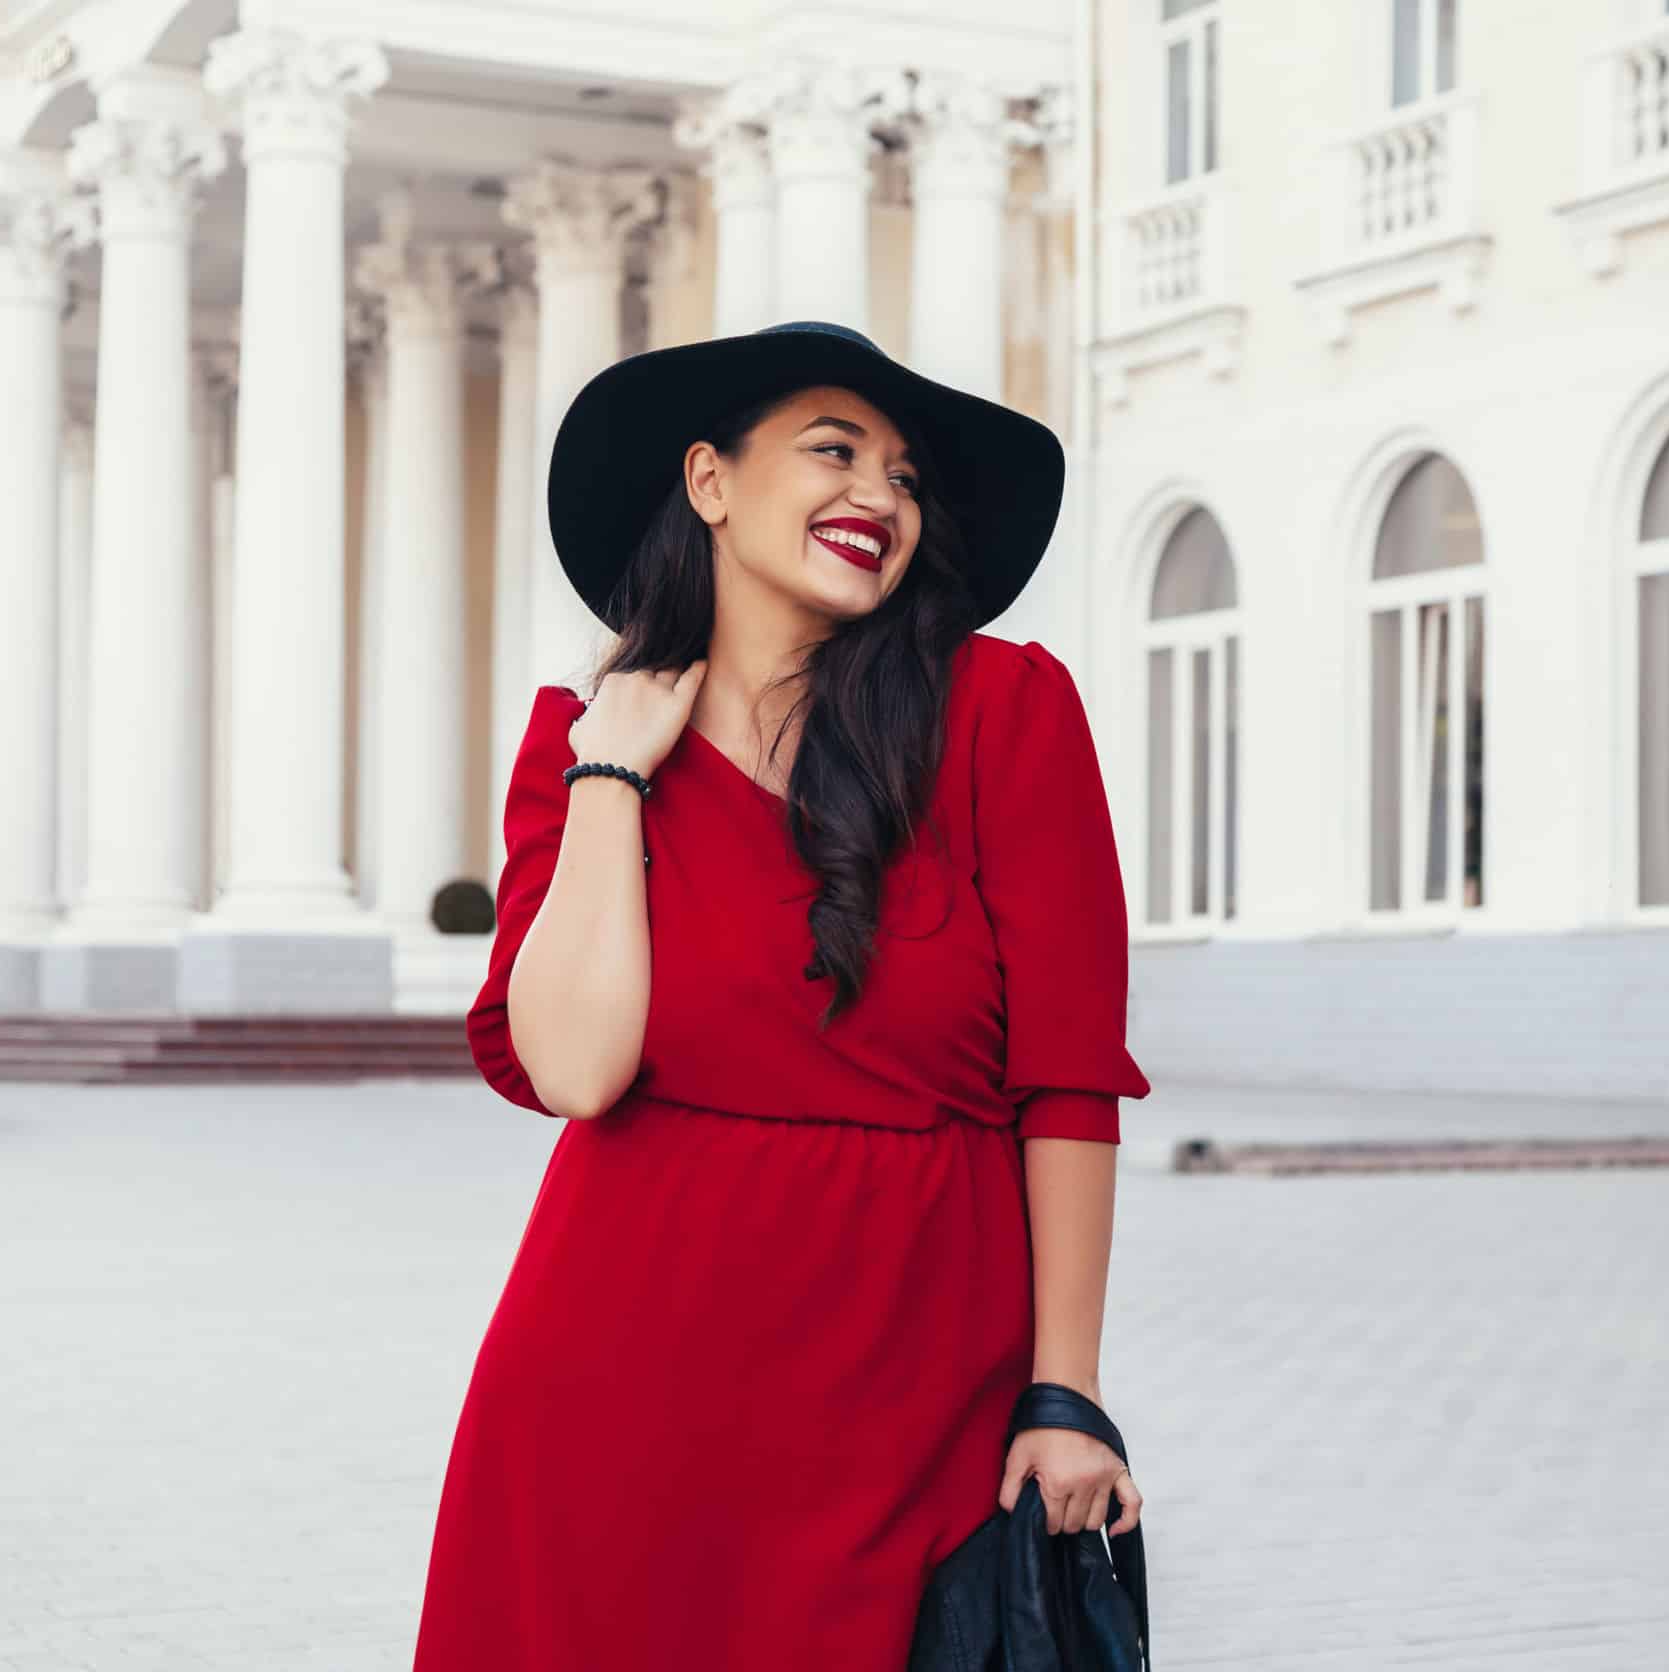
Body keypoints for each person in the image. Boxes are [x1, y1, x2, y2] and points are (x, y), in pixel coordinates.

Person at [410, 321, 1152, 1668]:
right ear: (709, 481)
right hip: (618, 1396)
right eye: (835, 450)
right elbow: (575, 1071)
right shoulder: (575, 752)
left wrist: (1068, 1387)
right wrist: (611, 776)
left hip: (922, 1384)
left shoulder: (1005, 712)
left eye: (908, 476)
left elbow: (1070, 1076)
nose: (879, 494)